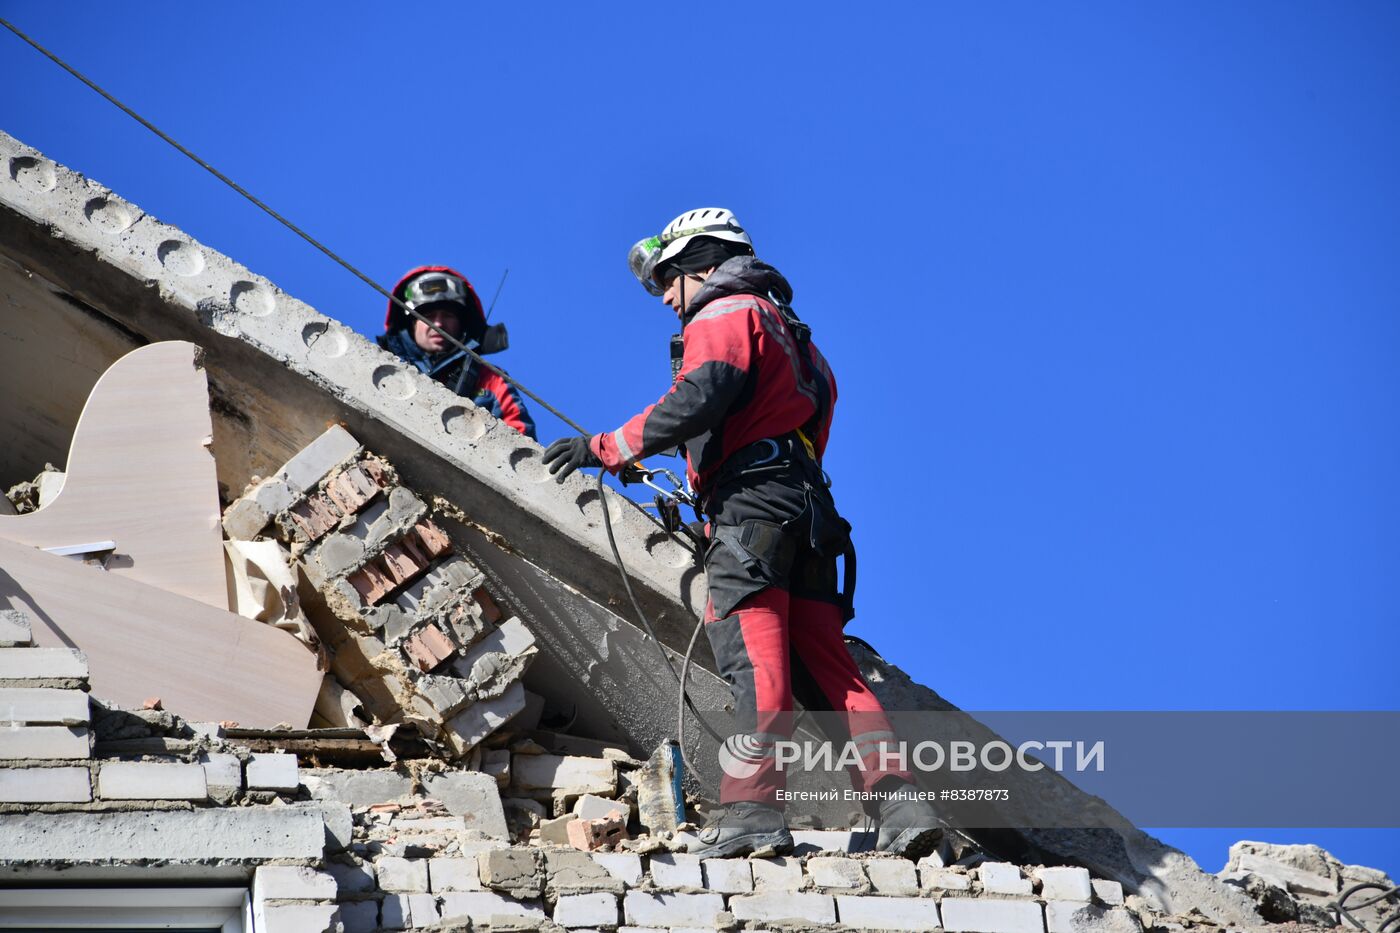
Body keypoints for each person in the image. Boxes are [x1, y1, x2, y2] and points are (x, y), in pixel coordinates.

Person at [542, 208, 942, 859]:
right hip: (809, 514)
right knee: (830, 669)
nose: (669, 300)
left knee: (757, 660)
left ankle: (753, 809)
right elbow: (808, 430)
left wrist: (607, 447)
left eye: (670, 281)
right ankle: (900, 800)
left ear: (701, 264)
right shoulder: (802, 341)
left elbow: (701, 395)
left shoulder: (723, 312)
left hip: (751, 512)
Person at [378, 265, 536, 438]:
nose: (438, 324)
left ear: (462, 324)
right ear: (412, 325)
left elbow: (522, 440)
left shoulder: (490, 380)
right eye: (428, 316)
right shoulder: (385, 367)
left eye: (448, 315)